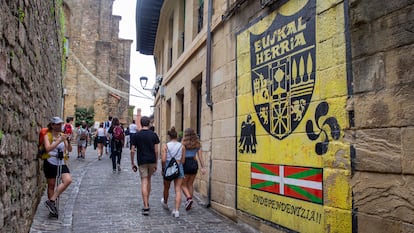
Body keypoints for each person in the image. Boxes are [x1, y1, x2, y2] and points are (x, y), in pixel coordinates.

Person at [43, 117, 72, 218]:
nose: (60, 126)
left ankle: (51, 201)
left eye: (61, 124)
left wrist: (67, 141)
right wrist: (59, 140)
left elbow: (70, 149)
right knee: (51, 185)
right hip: (50, 161)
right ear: (52, 125)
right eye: (58, 124)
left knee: (68, 180)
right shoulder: (48, 136)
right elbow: (47, 148)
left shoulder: (62, 136)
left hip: (61, 162)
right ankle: (52, 209)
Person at [130, 116, 160, 216]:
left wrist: (132, 163)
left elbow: (132, 150)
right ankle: (147, 201)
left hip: (142, 160)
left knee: (144, 181)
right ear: (149, 123)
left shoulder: (136, 135)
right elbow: (156, 151)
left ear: (141, 123)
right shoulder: (154, 135)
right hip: (151, 160)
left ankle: (145, 204)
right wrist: (156, 162)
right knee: (149, 180)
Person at [161, 127, 185, 218]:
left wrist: (163, 168)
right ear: (176, 136)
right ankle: (177, 210)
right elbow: (183, 160)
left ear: (169, 136)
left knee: (166, 187)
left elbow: (163, 159)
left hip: (168, 167)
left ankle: (165, 203)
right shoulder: (182, 146)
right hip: (178, 167)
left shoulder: (166, 146)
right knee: (178, 189)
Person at [181, 128, 206, 210]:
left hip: (186, 164)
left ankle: (189, 198)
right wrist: (203, 167)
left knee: (183, 184)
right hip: (194, 164)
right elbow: (200, 157)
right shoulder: (197, 144)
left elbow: (183, 157)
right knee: (190, 184)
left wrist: (180, 166)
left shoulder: (183, 144)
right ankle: (190, 204)